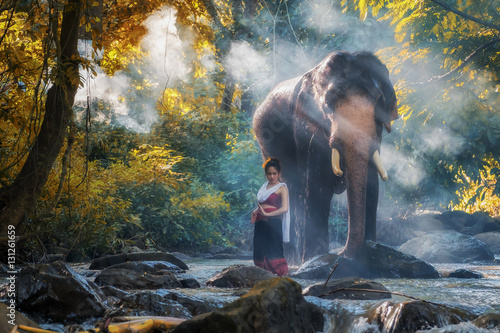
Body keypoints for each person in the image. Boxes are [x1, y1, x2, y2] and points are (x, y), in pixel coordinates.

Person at [251, 157, 290, 276]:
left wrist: (268, 213)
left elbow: (285, 208)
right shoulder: (264, 187)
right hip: (260, 222)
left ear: (279, 173)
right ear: (266, 174)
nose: (272, 176)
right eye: (269, 174)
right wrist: (256, 211)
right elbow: (262, 203)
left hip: (273, 223)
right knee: (259, 250)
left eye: (274, 173)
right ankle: (263, 275)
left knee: (274, 250)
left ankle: (280, 277)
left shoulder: (282, 188)